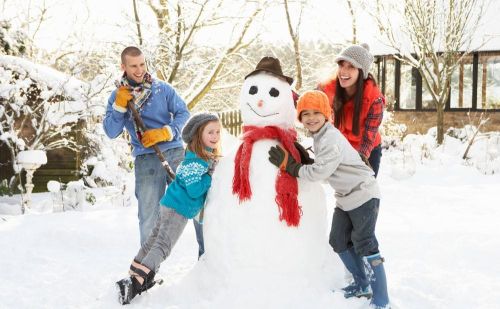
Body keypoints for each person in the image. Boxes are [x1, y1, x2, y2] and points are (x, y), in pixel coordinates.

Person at [267, 90, 390, 309]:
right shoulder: (320, 137)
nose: (311, 117)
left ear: (327, 115)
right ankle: (362, 284)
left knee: (365, 243)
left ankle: (381, 298)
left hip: (363, 194)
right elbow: (325, 167)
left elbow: (318, 174)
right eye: (306, 114)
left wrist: (292, 166)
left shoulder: (330, 138)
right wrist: (309, 161)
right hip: (345, 197)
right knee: (338, 240)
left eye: (317, 112)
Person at [103, 47, 206, 256]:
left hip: (175, 152)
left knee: (195, 200)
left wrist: (165, 132)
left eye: (142, 64)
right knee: (148, 214)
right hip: (145, 160)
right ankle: (146, 270)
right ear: (123, 67)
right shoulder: (118, 96)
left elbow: (183, 113)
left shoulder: (162, 89)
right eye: (133, 66)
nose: (139, 70)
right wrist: (119, 107)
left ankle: (207, 255)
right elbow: (111, 131)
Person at [116, 113, 221, 305]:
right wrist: (210, 175)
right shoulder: (196, 161)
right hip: (177, 210)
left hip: (170, 205)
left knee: (153, 240)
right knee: (162, 246)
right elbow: (194, 189)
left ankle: (135, 272)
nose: (215, 136)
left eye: (217, 132)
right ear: (198, 135)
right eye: (210, 132)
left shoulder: (197, 157)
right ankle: (133, 284)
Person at [318, 43, 385, 177]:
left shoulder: (374, 99)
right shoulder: (327, 88)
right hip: (342, 147)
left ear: (361, 72)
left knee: (366, 193)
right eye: (341, 65)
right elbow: (308, 103)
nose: (344, 71)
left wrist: (358, 163)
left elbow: (368, 138)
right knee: (346, 194)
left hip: (368, 151)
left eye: (351, 67)